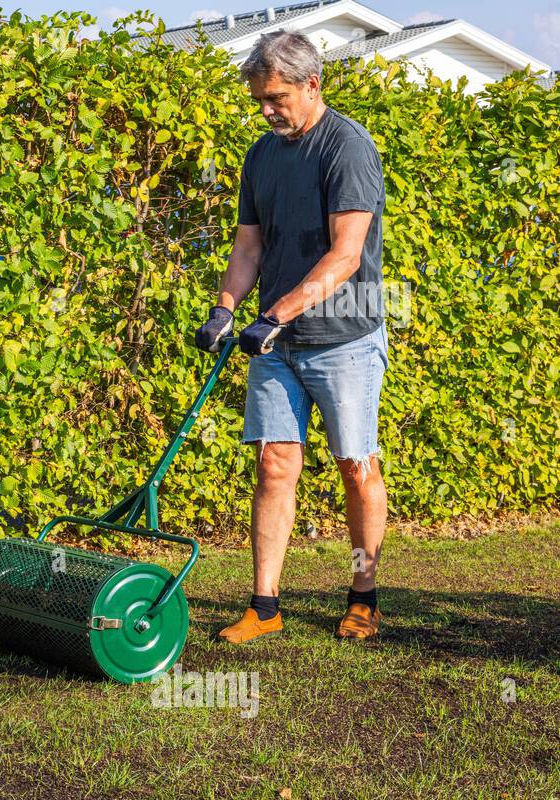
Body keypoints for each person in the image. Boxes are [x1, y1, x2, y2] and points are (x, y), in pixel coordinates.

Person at [194, 29, 389, 643]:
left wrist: (274, 314)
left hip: (343, 339)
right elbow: (249, 246)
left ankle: (364, 592)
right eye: (260, 100)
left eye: (276, 97)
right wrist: (227, 308)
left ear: (312, 84)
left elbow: (346, 257)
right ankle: (265, 607)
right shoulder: (262, 154)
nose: (267, 109)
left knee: (355, 466)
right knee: (274, 463)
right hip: (274, 340)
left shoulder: (347, 149)